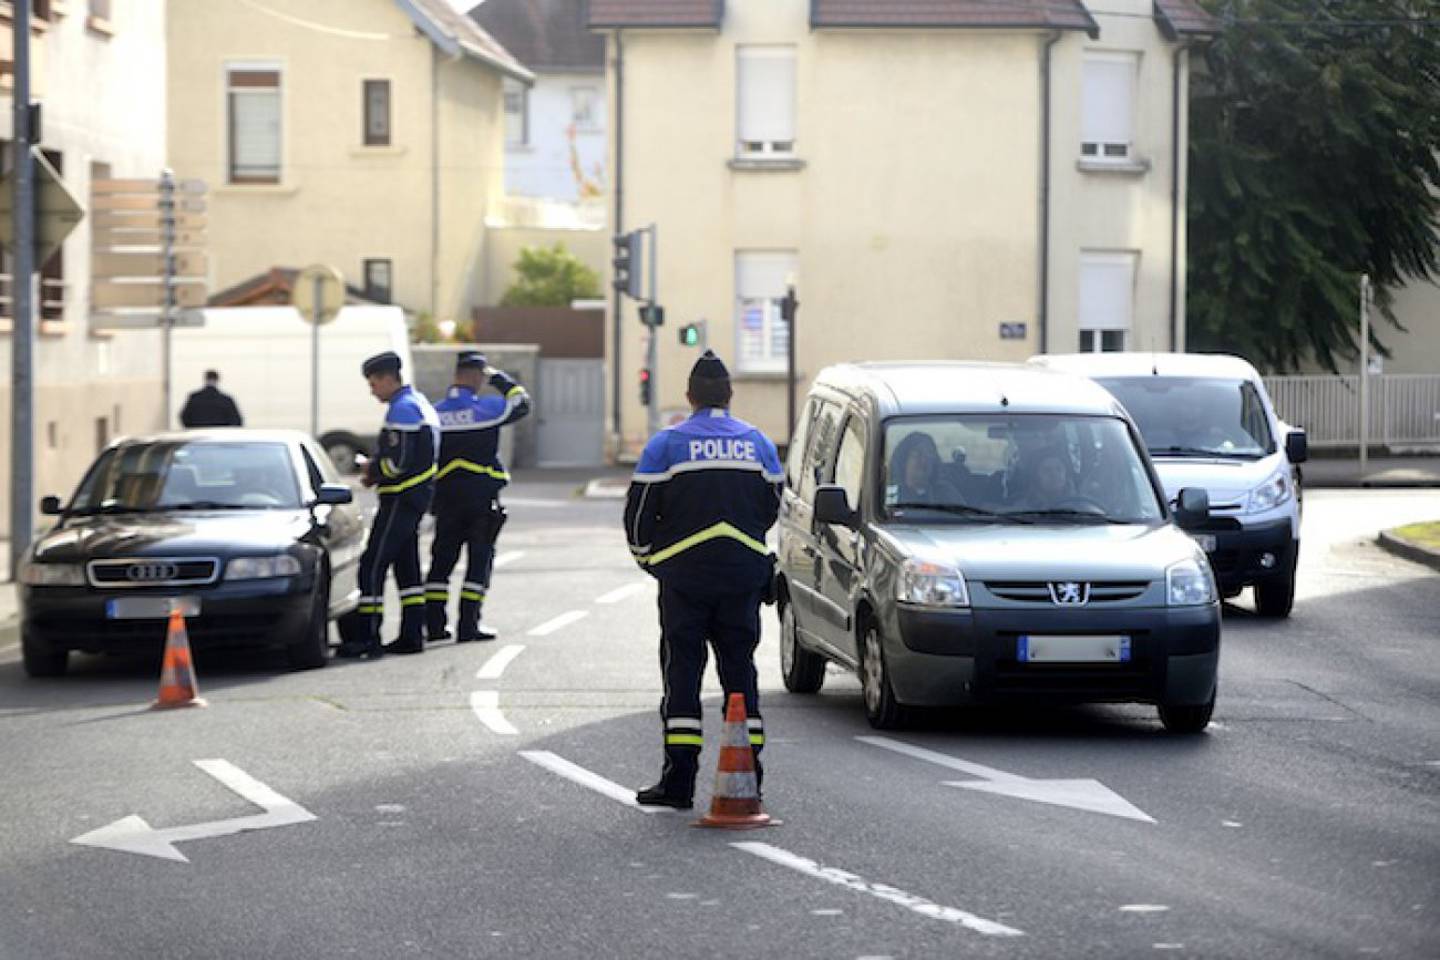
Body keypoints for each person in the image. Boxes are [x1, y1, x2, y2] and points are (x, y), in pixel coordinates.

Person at [623, 350, 783, 809]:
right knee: (740, 675)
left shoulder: (667, 445)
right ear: (730, 396)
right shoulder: (758, 443)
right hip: (741, 578)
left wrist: (649, 560)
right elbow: (771, 506)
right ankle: (748, 775)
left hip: (684, 581)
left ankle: (678, 784)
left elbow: (637, 515)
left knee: (682, 676)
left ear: (689, 396)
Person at [334, 351, 439, 660]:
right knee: (407, 570)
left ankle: (368, 638)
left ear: (389, 378)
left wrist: (372, 471)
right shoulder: (420, 404)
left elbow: (398, 463)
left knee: (372, 565)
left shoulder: (402, 410)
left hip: (400, 498)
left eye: (373, 383)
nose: (372, 390)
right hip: (415, 497)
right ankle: (411, 636)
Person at [423, 351, 531, 644]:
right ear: (475, 376)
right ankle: (468, 626)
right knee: (478, 563)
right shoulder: (488, 409)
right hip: (481, 500)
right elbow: (522, 403)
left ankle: (434, 627)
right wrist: (498, 377)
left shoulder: (434, 413)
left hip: (446, 501)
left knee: (441, 564)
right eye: (481, 377)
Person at [888, 431, 961, 506]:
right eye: (917, 454)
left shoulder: (947, 493)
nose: (924, 461)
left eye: (929, 455)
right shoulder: (890, 496)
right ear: (903, 460)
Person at [179, 370, 243, 428]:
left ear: (205, 379)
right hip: (220, 436)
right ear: (217, 380)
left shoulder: (194, 398)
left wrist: (192, 428)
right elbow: (236, 421)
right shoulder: (226, 400)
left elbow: (184, 417)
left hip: (198, 435)